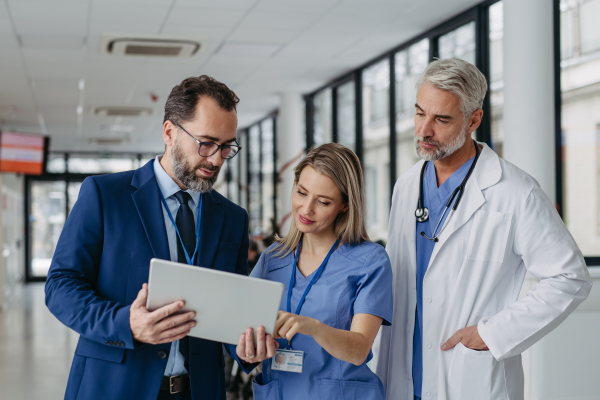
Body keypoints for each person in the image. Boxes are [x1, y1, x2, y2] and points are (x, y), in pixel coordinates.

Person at [372, 58, 593, 400]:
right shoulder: (407, 184)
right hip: (403, 369)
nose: (424, 131)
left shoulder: (516, 192)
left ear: (474, 119)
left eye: (441, 119)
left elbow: (570, 278)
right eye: (419, 113)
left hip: (467, 377)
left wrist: (491, 334)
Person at [45, 75, 255, 400]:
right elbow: (60, 286)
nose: (216, 159)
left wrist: (248, 348)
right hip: (115, 387)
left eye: (227, 147)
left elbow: (232, 308)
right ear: (169, 132)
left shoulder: (232, 217)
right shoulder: (105, 195)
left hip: (197, 391)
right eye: (207, 143)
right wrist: (125, 323)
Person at [235, 143, 393, 400]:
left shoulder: (369, 261)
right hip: (280, 391)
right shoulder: (272, 259)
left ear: (344, 205)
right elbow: (243, 328)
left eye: (323, 201)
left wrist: (314, 328)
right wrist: (247, 350)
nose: (306, 209)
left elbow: (359, 349)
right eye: (301, 192)